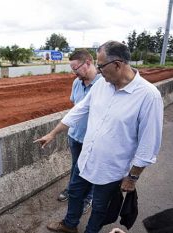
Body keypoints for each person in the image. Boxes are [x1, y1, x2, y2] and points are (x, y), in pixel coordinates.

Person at [34, 41, 163, 233]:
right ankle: (69, 225)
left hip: (111, 168)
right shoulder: (101, 85)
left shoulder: (148, 96)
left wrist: (132, 177)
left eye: (101, 66)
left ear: (118, 65)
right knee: (76, 193)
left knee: (100, 206)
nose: (99, 71)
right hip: (86, 158)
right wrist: (53, 133)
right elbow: (79, 110)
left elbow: (149, 144)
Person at [57, 49, 101, 216]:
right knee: (76, 165)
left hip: (93, 139)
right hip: (75, 136)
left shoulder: (104, 84)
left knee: (89, 170)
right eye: (72, 69)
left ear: (88, 63)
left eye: (76, 68)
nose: (73, 72)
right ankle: (71, 189)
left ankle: (88, 198)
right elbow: (74, 107)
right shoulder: (77, 82)